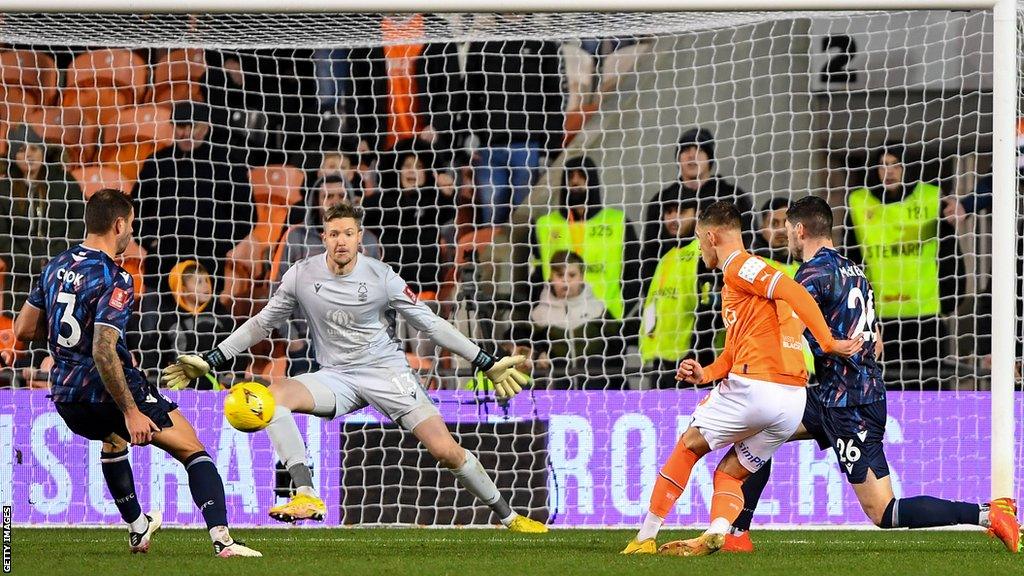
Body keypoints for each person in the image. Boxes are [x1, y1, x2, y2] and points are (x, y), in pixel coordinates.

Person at [161, 203, 545, 533]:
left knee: (446, 451)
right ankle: (306, 493)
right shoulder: (301, 274)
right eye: (332, 234)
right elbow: (263, 322)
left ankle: (508, 516)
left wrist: (485, 361)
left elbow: (430, 323)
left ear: (360, 237)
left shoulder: (381, 277)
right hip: (336, 377)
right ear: (323, 238)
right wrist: (213, 358)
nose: (340, 240)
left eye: (347, 233)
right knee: (271, 399)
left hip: (387, 373)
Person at [725, 195, 1020, 553]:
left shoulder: (812, 274)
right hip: (837, 395)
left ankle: (988, 515)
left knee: (883, 511)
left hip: (848, 407)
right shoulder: (856, 271)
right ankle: (737, 535)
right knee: (760, 435)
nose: (786, 237)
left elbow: (787, 328)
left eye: (787, 230)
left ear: (800, 230)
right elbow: (876, 342)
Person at [11, 190, 260, 557]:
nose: (131, 233)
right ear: (118, 225)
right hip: (110, 390)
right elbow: (102, 349)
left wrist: (69, 344)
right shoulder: (117, 277)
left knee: (112, 441)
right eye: (130, 225)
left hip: (66, 397)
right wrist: (131, 410)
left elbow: (22, 330)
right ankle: (223, 541)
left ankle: (138, 528)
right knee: (194, 451)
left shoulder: (55, 265)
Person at [621, 201, 861, 557]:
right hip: (791, 401)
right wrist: (705, 373)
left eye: (701, 239)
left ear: (712, 235)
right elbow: (733, 354)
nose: (700, 248)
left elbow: (793, 291)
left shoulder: (741, 266)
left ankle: (644, 538)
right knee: (731, 473)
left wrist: (826, 342)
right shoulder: (742, 283)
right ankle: (718, 530)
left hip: (758, 388)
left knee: (688, 446)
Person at [844, 141, 962, 388]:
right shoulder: (859, 204)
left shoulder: (930, 199)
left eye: (895, 165)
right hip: (881, 317)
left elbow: (950, 250)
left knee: (931, 383)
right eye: (882, 166)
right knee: (886, 382)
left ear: (907, 167)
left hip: (925, 312)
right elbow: (851, 258)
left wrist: (953, 297)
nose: (888, 172)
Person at [134, 101, 253, 288]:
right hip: (161, 268)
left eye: (192, 126)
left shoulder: (228, 165)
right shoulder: (157, 163)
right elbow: (135, 210)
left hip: (207, 269)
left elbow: (246, 216)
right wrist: (151, 241)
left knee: (203, 318)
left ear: (206, 127)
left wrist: (217, 246)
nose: (186, 133)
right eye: (181, 126)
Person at [465, 26, 565, 224]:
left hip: (528, 146)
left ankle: (524, 255)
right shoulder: (481, 42)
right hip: (489, 147)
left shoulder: (541, 41)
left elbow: (553, 97)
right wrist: (471, 135)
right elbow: (469, 91)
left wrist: (551, 147)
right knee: (492, 215)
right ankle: (494, 256)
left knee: (524, 216)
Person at [530, 156, 642, 324]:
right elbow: (536, 275)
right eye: (570, 177)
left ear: (593, 180)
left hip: (605, 322)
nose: (575, 182)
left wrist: (620, 312)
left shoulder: (617, 222)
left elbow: (636, 271)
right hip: (555, 321)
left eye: (582, 176)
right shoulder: (544, 225)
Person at [641, 127, 755, 269]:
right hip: (675, 283)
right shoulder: (662, 200)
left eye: (699, 150)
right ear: (678, 158)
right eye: (685, 150)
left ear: (709, 158)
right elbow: (650, 254)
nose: (691, 156)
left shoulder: (732, 197)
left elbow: (748, 243)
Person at [0, 124, 86, 312]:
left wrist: (56, 259)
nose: (29, 154)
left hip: (63, 273)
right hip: (21, 280)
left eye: (34, 148)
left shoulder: (64, 181)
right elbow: (3, 238)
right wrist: (32, 263)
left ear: (43, 150)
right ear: (13, 156)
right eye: (21, 150)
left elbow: (80, 221)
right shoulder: (4, 189)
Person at [512, 250, 621, 389]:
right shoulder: (540, 313)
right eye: (559, 275)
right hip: (557, 390)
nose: (565, 281)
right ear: (551, 276)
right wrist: (538, 354)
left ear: (581, 277)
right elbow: (524, 343)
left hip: (596, 389)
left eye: (571, 275)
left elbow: (617, 350)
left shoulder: (598, 310)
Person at [639, 197, 717, 389]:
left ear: (697, 215)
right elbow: (652, 303)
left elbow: (709, 308)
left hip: (691, 359)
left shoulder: (702, 253)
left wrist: (696, 352)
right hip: (662, 359)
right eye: (669, 212)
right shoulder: (667, 257)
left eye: (681, 212)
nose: (674, 218)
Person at [131, 259, 243, 387]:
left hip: (217, 384)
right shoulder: (169, 319)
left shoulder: (221, 316)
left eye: (206, 280)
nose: (206, 286)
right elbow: (154, 350)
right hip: (182, 386)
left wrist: (234, 373)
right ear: (182, 289)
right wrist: (153, 373)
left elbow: (239, 346)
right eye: (198, 282)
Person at [751, 197, 796, 275]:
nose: (781, 229)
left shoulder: (804, 265)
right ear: (762, 228)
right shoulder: (753, 264)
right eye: (774, 223)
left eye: (787, 223)